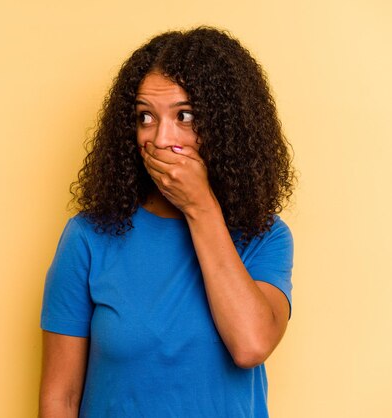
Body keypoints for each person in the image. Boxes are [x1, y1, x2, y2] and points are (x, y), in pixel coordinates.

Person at [39, 26, 295, 418]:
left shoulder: (264, 235)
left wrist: (200, 208)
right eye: (145, 117)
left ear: (227, 128)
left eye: (185, 116)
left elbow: (251, 345)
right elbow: (61, 398)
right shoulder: (88, 236)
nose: (160, 139)